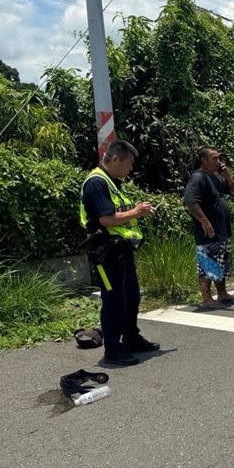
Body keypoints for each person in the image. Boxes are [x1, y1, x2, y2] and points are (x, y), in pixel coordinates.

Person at [79, 140, 159, 366]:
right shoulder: (96, 183)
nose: (131, 169)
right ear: (116, 159)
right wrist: (137, 212)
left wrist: (137, 211)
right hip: (105, 252)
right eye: (129, 164)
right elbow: (106, 219)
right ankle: (113, 349)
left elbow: (119, 214)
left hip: (121, 249)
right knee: (114, 300)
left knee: (132, 296)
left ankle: (131, 338)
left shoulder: (112, 182)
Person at [183, 146, 234, 309]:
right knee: (208, 262)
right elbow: (190, 201)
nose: (218, 161)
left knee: (221, 262)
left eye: (219, 158)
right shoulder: (198, 177)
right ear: (204, 160)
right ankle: (206, 297)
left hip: (222, 229)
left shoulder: (216, 177)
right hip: (208, 230)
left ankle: (222, 293)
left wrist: (226, 174)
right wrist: (204, 221)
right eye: (214, 158)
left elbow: (233, 190)